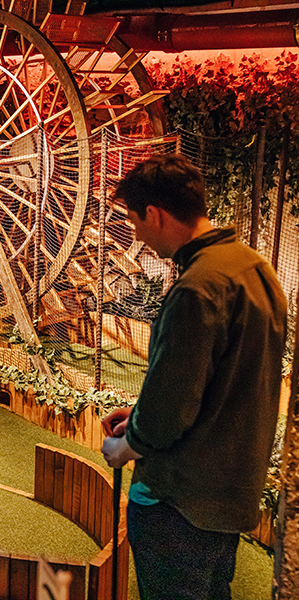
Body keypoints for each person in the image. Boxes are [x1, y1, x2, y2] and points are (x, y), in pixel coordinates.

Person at [100, 154, 287, 599]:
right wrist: (140, 412)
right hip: (229, 495)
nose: (138, 236)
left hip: (179, 502)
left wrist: (126, 444)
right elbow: (220, 383)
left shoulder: (196, 289)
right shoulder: (256, 269)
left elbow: (170, 410)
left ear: (155, 214)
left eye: (134, 220)